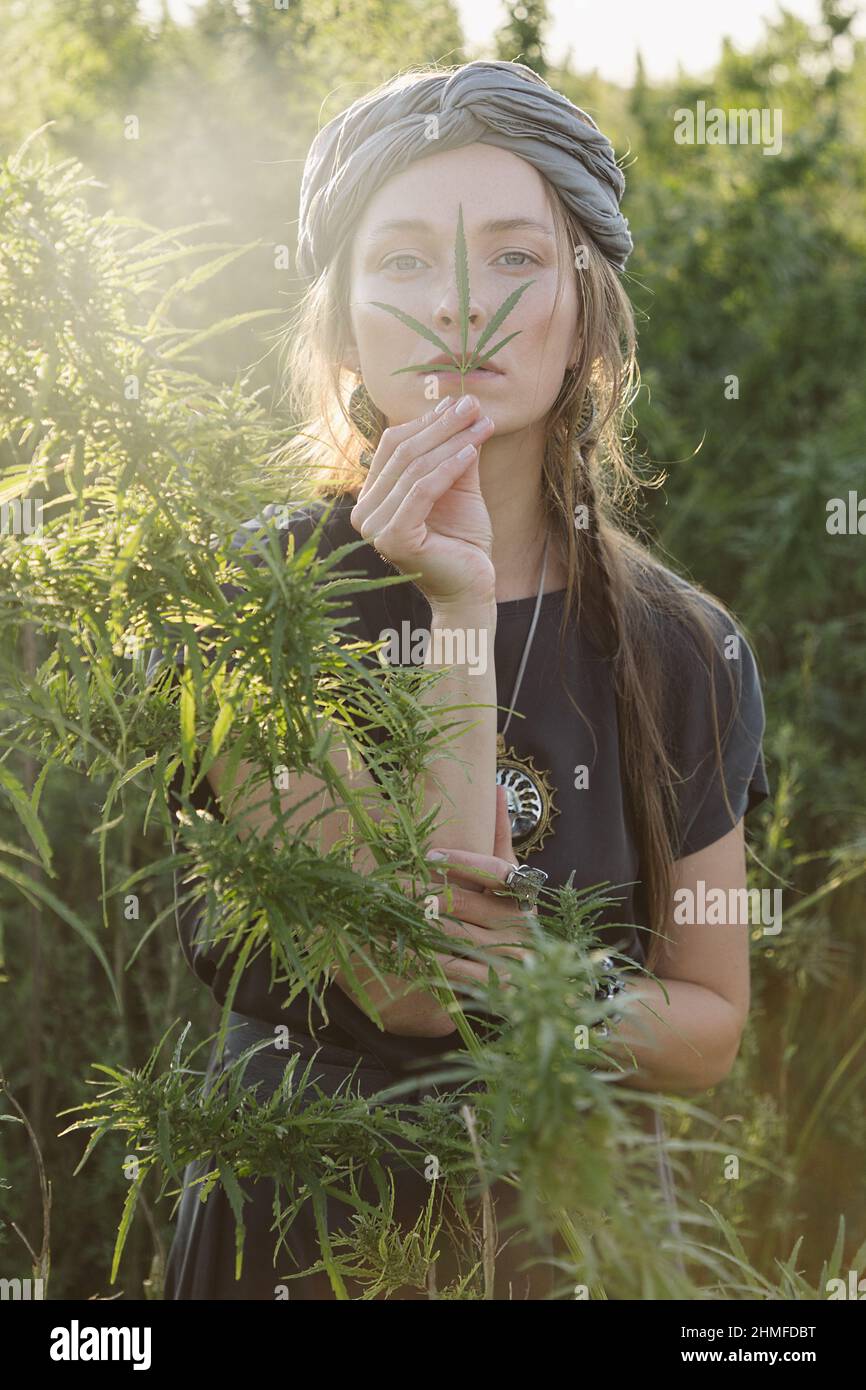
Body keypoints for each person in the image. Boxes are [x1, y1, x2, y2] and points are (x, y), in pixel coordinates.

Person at [149, 59, 770, 1300]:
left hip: (566, 1237)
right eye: (402, 266)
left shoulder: (682, 646)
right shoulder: (252, 606)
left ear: (586, 310)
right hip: (304, 1236)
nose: (460, 312)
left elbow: (708, 1021)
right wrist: (454, 602)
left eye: (514, 260)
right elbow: (410, 983)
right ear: (338, 326)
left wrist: (556, 991)